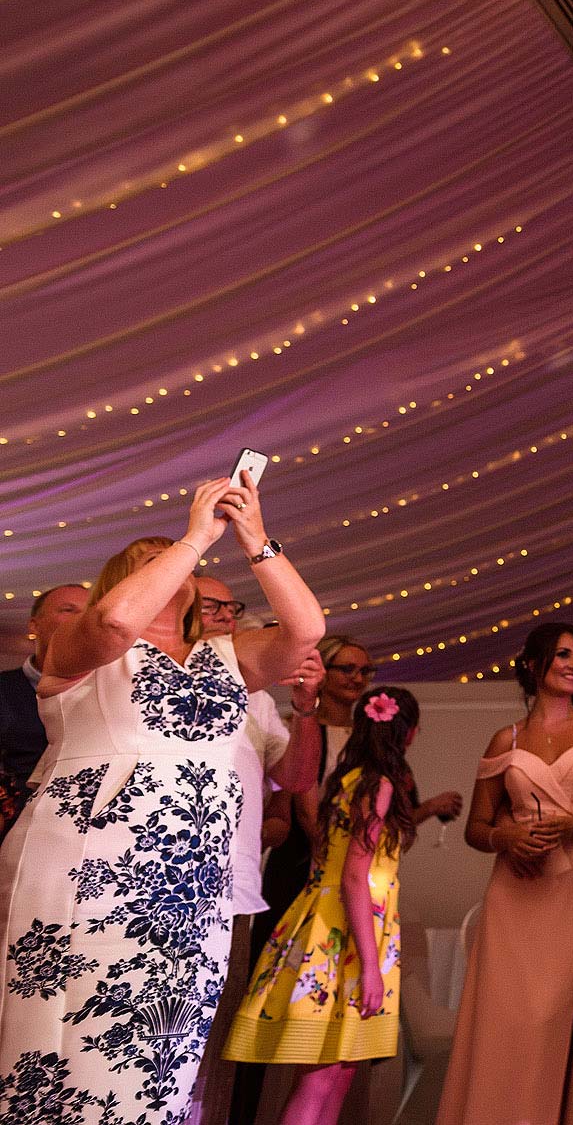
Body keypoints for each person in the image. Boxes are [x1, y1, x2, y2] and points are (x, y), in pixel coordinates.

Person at [0, 474, 323, 1123]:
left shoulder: (228, 656)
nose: (182, 568)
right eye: (155, 564)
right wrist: (195, 534)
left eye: (185, 562)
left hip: (190, 888)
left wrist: (255, 536)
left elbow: (307, 626)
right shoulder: (79, 651)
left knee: (161, 1066)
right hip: (87, 878)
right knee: (62, 1056)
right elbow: (117, 617)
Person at [235, 636, 461, 1124]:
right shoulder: (377, 784)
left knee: (336, 1072)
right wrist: (373, 969)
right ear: (412, 733)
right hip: (348, 935)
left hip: (333, 923)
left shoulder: (350, 779)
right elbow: (356, 878)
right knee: (322, 1076)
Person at [440, 622, 573, 1125]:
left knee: (557, 1011)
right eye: (562, 656)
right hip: (516, 891)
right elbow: (475, 828)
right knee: (508, 1016)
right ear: (533, 666)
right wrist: (504, 838)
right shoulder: (504, 738)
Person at [188, 580, 323, 1125]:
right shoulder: (144, 676)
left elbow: (295, 775)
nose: (225, 615)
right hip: (162, 881)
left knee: (214, 1044)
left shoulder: (259, 698)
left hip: (235, 889)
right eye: (210, 605)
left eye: (231, 606)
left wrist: (306, 708)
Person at [0, 583, 88, 834]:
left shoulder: (110, 688)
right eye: (68, 610)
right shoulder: (4, 687)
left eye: (88, 612)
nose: (80, 620)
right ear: (34, 625)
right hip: (14, 825)